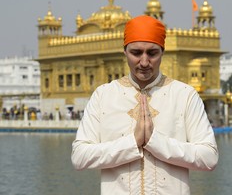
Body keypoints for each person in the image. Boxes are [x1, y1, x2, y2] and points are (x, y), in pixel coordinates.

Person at [71, 15, 219, 194]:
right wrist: (131, 143)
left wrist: (155, 142)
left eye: (152, 53)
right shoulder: (104, 96)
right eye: (136, 53)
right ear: (125, 51)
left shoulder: (184, 95)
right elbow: (79, 157)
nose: (144, 62)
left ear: (162, 52)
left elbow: (209, 158)